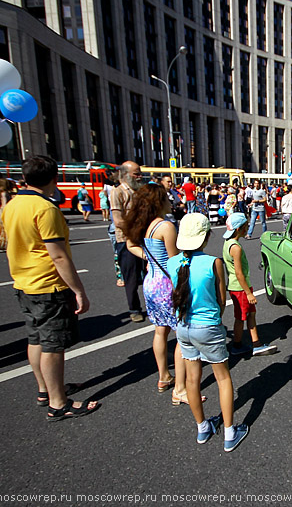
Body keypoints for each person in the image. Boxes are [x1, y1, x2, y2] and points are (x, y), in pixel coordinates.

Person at [1, 155, 99, 419]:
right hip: (47, 284)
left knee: (36, 339)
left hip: (23, 282)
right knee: (53, 345)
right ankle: (59, 403)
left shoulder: (12, 203)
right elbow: (57, 255)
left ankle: (45, 389)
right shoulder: (46, 209)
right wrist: (79, 290)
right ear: (54, 179)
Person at [169, 213, 249, 452]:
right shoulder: (214, 262)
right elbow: (222, 300)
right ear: (205, 237)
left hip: (183, 326)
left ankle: (202, 428)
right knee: (223, 378)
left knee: (192, 379)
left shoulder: (173, 262)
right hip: (208, 326)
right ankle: (229, 432)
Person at [123, 184, 198, 403]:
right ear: (158, 202)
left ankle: (164, 376)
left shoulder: (142, 223)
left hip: (151, 282)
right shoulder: (166, 226)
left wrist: (148, 258)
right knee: (181, 333)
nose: (170, 200)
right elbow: (174, 260)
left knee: (160, 331)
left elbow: (129, 245)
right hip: (167, 283)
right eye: (166, 198)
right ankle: (181, 388)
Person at [222, 213, 278, 357]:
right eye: (246, 226)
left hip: (240, 286)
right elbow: (239, 273)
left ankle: (256, 343)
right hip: (240, 288)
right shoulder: (236, 248)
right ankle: (237, 345)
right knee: (241, 317)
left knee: (251, 313)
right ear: (239, 228)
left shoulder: (228, 242)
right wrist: (248, 293)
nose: (248, 228)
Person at [111, 161, 146, 322]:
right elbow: (118, 220)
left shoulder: (140, 191)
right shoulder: (118, 192)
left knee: (149, 274)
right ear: (125, 175)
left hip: (143, 238)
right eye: (136, 174)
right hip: (126, 240)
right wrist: (135, 230)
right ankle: (134, 309)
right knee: (130, 277)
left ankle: (153, 305)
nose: (140, 177)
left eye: (140, 173)